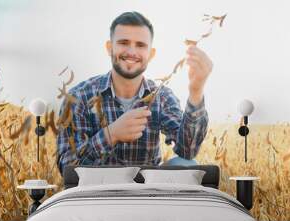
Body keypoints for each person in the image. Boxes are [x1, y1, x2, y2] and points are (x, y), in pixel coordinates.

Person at [57, 11, 213, 173]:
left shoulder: (162, 96)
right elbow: (67, 168)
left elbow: (187, 152)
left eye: (140, 45)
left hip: (147, 193)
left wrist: (196, 91)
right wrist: (110, 135)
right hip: (96, 194)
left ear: (151, 54)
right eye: (124, 43)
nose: (132, 52)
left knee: (187, 164)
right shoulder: (79, 97)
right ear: (109, 48)